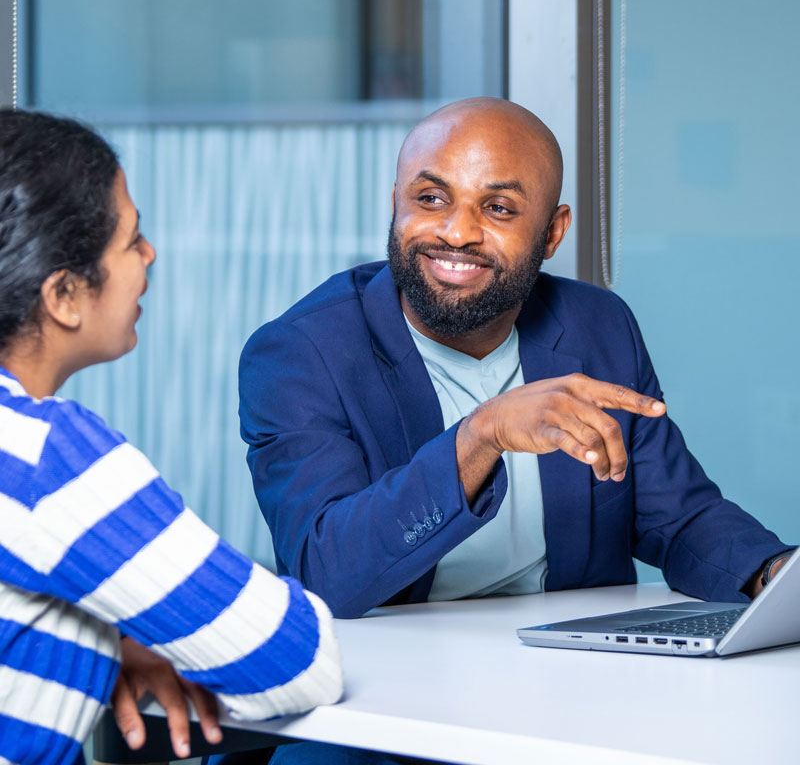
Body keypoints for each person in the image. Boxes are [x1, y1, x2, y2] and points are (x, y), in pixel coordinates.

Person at [239, 97, 793, 625]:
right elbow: (325, 573)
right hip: (395, 682)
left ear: (552, 233)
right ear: (395, 205)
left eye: (498, 208)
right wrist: (482, 435)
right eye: (430, 199)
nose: (456, 233)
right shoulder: (299, 354)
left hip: (578, 670)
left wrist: (775, 576)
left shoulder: (597, 325)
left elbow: (679, 517)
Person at [0, 109, 342, 765]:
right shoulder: (46, 457)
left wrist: (111, 640)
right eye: (133, 240)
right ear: (65, 294)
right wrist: (130, 635)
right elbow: (299, 660)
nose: (151, 255)